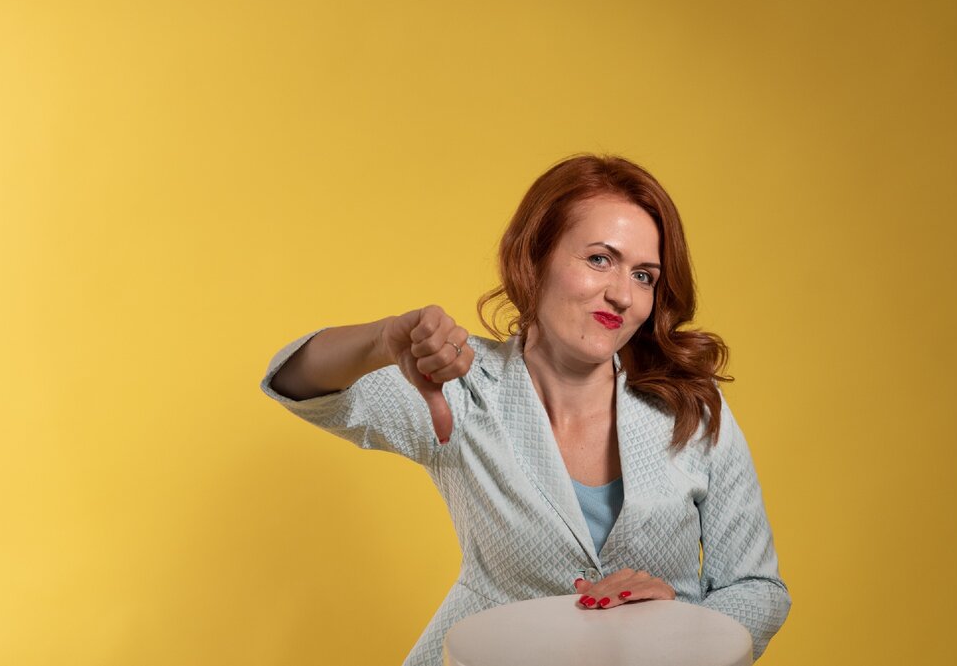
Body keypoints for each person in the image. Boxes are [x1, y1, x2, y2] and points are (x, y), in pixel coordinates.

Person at [260, 154, 791, 664]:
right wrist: (380, 340)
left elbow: (757, 587)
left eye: (643, 276)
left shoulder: (690, 407)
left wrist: (681, 625)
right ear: (533, 258)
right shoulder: (461, 386)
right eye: (600, 259)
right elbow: (297, 383)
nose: (623, 296)